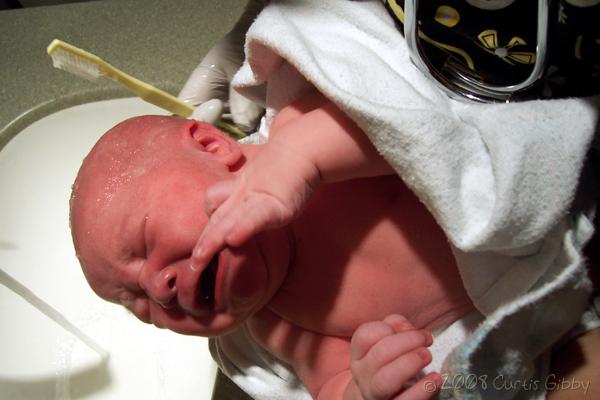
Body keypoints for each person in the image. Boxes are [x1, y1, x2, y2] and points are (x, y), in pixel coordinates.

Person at [70, 89, 482, 400]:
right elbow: (332, 383)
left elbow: (416, 118)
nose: (158, 288)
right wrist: (363, 386)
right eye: (140, 304)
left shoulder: (301, 135)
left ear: (214, 147)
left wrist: (309, 156)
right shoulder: (277, 324)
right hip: (507, 297)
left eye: (143, 239)